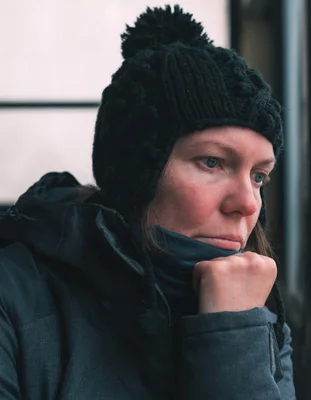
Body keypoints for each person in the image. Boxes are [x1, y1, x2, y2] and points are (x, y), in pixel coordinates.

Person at [0, 5, 294, 399]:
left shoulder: (255, 304)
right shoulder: (13, 296)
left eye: (259, 176)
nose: (246, 203)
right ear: (137, 173)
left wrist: (233, 330)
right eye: (213, 162)